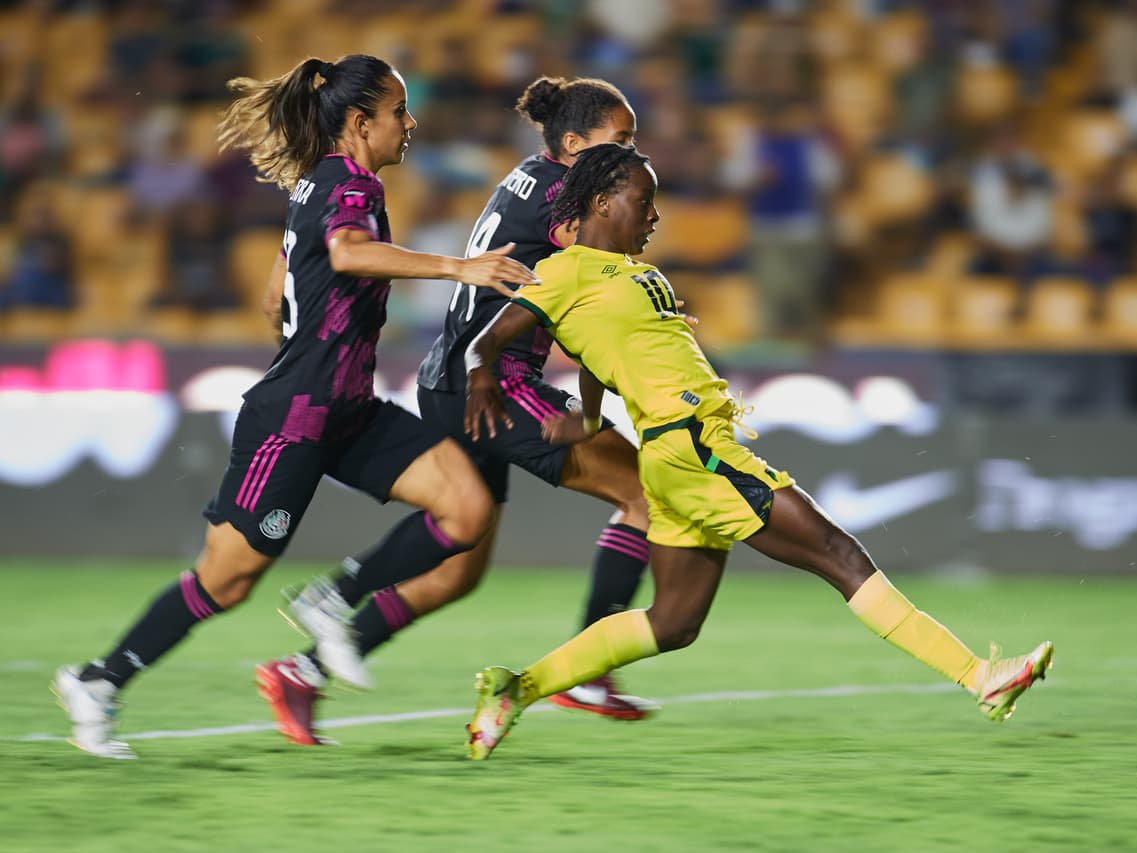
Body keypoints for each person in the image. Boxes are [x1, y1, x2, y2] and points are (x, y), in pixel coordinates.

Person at [460, 144, 1055, 760]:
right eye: (645, 201)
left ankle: (517, 689)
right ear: (604, 202)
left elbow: (594, 358)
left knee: (673, 623)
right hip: (695, 448)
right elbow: (489, 340)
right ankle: (979, 677)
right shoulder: (565, 271)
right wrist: (480, 376)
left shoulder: (630, 274)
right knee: (839, 555)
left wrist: (586, 422)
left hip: (676, 455)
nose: (655, 215)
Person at [51, 54, 538, 759]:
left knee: (465, 504)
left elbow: (283, 281)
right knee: (226, 578)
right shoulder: (345, 181)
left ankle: (334, 598)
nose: (411, 124)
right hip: (294, 420)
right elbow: (344, 252)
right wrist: (456, 267)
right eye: (400, 112)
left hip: (347, 409)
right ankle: (99, 679)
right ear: (359, 121)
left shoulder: (330, 181)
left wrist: (300, 303)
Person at [256, 75, 659, 747]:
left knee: (456, 568)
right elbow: (592, 308)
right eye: (620, 141)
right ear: (572, 143)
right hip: (491, 381)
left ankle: (304, 668)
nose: (631, 155)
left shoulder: (533, 180)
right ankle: (590, 668)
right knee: (645, 490)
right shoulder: (569, 201)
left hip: (453, 378)